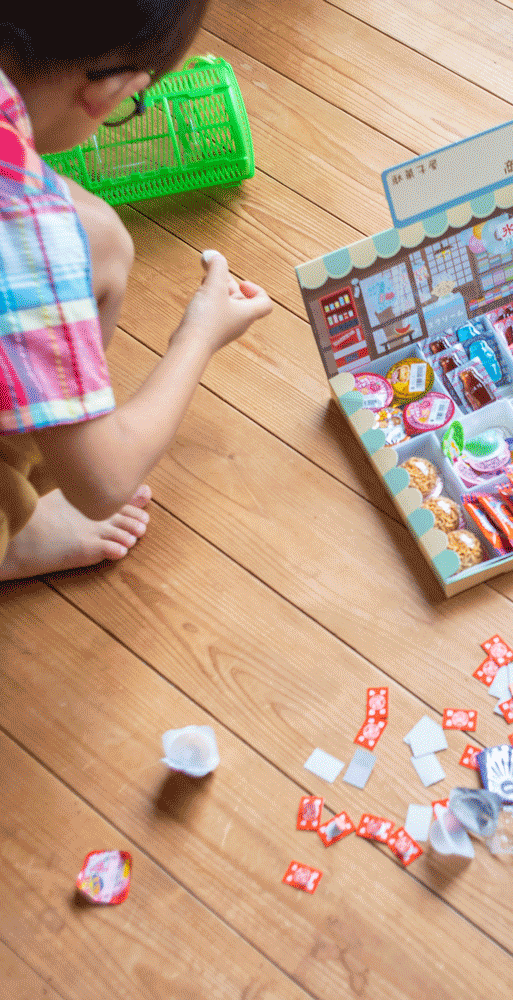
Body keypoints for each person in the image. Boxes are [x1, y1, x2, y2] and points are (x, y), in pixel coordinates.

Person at [1, 5, 273, 582]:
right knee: (95, 238)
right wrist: (197, 334)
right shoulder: (34, 232)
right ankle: (11, 531)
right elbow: (104, 484)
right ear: (112, 91)